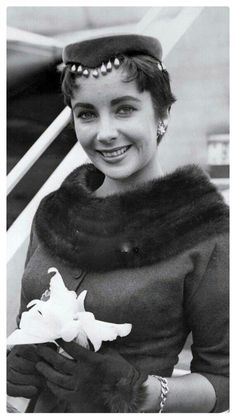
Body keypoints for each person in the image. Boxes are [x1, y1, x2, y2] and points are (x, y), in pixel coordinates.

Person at [7, 34, 229, 413]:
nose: (105, 132)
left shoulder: (202, 229)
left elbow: (225, 381)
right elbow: (30, 319)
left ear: (162, 115)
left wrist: (133, 390)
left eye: (124, 109)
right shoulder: (54, 210)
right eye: (87, 113)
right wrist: (15, 363)